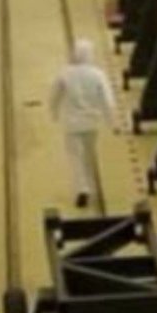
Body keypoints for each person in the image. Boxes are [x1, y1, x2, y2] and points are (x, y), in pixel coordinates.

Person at [49, 39, 119, 209]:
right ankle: (90, 185)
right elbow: (108, 101)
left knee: (75, 158)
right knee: (88, 156)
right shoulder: (98, 74)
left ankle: (82, 188)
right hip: (92, 123)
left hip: (72, 124)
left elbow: (54, 96)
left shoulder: (65, 74)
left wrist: (54, 113)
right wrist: (112, 123)